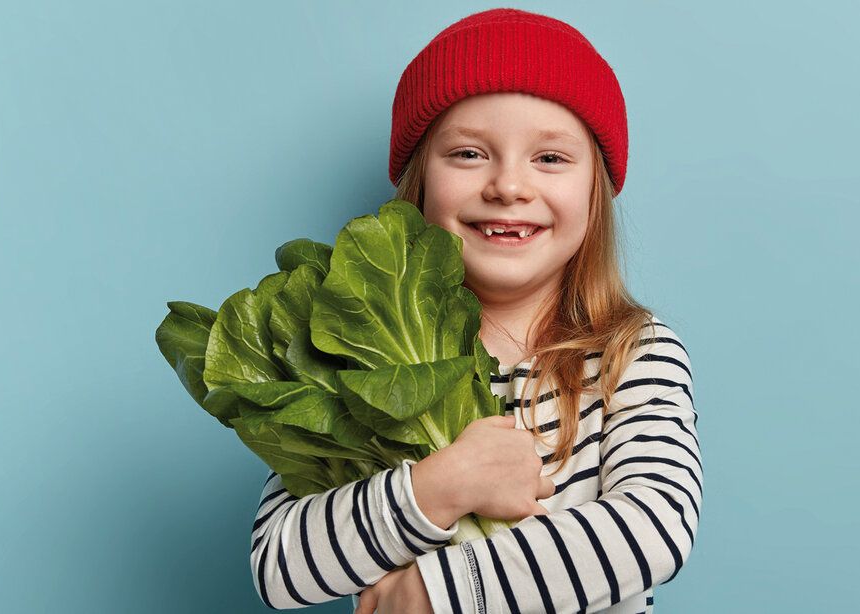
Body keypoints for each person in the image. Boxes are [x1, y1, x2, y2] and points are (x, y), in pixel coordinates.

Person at [249, 8, 702, 613]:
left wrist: (436, 592)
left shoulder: (632, 351)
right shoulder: (358, 359)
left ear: (596, 191)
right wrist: (436, 488)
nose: (508, 186)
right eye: (468, 154)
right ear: (420, 183)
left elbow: (654, 526)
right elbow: (278, 567)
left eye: (550, 158)